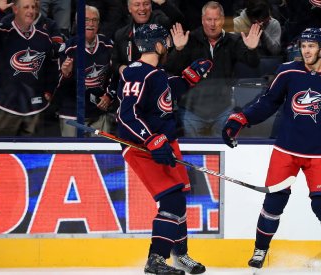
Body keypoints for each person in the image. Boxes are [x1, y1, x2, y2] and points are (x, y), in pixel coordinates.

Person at [221, 28, 321, 272]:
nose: (306, 50)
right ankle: (260, 249)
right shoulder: (287, 71)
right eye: (303, 46)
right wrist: (240, 120)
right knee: (274, 202)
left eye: (311, 46)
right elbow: (267, 102)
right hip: (286, 150)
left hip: (320, 154)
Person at [116, 23, 213, 275]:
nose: (168, 45)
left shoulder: (153, 72)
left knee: (178, 198)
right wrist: (150, 139)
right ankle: (156, 259)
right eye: (166, 41)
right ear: (158, 44)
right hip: (141, 146)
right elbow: (126, 116)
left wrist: (189, 78)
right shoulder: (137, 73)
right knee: (171, 199)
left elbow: (165, 91)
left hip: (161, 142)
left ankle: (180, 255)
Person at [166, 1, 261, 137]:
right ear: (202, 20)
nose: (212, 24)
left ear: (222, 20)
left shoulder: (232, 41)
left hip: (223, 110)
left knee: (226, 150)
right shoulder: (189, 39)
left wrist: (252, 49)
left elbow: (253, 63)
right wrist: (179, 49)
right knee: (192, 155)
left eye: (216, 19)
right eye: (209, 19)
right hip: (191, 111)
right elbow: (171, 68)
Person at [0, 0, 57, 136]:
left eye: (33, 7)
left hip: (35, 109)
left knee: (32, 156)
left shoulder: (44, 36)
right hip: (4, 108)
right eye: (26, 7)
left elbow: (51, 65)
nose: (31, 11)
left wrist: (49, 89)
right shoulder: (2, 31)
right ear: (15, 10)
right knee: (3, 156)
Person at [55, 5, 115, 137]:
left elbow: (115, 77)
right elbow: (56, 87)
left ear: (99, 24)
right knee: (73, 156)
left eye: (94, 20)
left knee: (101, 156)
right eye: (86, 20)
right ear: (77, 23)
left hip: (99, 113)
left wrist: (109, 96)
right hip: (72, 114)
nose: (91, 24)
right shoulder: (67, 48)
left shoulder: (108, 45)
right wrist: (66, 74)